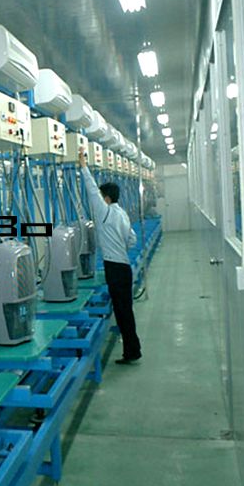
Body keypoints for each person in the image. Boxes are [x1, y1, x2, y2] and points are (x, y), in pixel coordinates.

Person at [78, 149, 142, 364]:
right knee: (126, 311)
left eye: (101, 197)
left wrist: (83, 166)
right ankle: (132, 349)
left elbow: (91, 190)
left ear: (106, 198)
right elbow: (132, 240)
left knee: (122, 312)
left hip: (114, 268)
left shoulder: (104, 212)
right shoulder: (122, 213)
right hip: (124, 266)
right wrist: (119, 246)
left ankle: (132, 352)